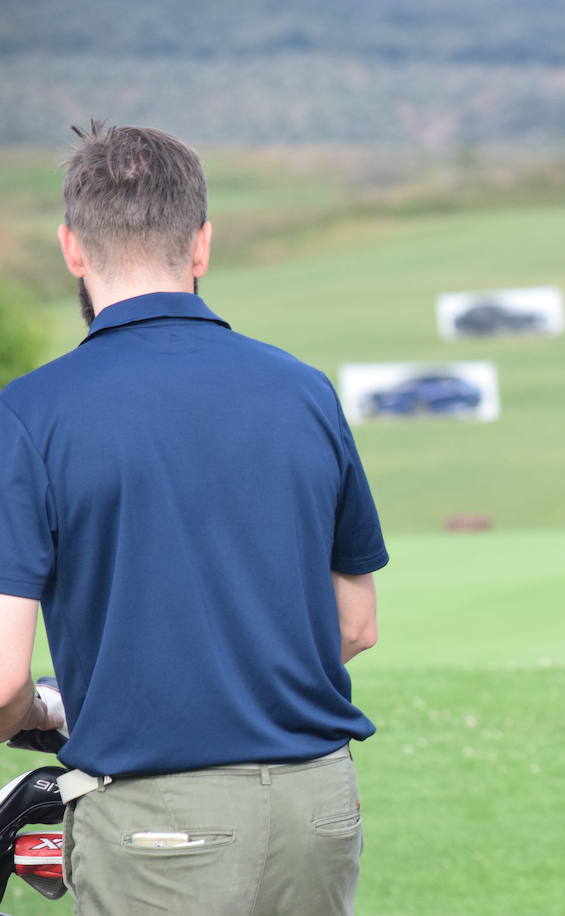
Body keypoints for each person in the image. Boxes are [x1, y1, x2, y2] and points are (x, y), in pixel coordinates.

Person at [0, 122, 387, 914]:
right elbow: (354, 625)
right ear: (201, 244)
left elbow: (3, 682)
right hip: (319, 807)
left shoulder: (29, 415)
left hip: (154, 821)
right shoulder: (306, 390)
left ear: (73, 248)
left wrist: (48, 708)